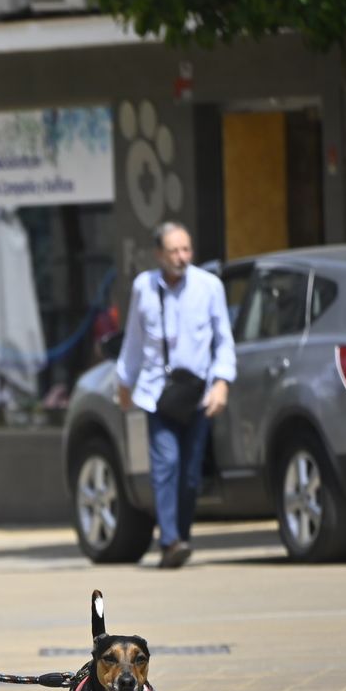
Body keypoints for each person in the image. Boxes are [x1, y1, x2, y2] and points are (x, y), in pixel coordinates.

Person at [115, 222, 236, 569]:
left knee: (191, 475)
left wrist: (222, 383)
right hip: (158, 393)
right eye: (174, 251)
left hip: (198, 395)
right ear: (158, 255)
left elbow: (223, 340)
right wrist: (125, 383)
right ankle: (168, 539)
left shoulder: (209, 287)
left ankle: (179, 537)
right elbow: (134, 341)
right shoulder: (144, 288)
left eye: (186, 250)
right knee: (165, 465)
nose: (182, 258)